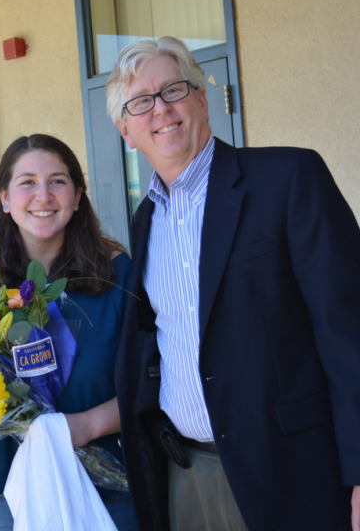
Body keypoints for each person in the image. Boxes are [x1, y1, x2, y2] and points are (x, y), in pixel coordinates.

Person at [108, 36, 360, 531]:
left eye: (173, 90)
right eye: (141, 102)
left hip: (291, 475)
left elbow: (348, 331)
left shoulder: (287, 178)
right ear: (125, 131)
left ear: (202, 99)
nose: (161, 109)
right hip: (188, 475)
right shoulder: (145, 220)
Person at [0, 134, 138, 531]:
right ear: (6, 198)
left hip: (106, 489)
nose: (43, 195)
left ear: (77, 196)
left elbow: (147, 384)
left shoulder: (118, 276)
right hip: (7, 490)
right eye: (27, 182)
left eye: (57, 181)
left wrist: (84, 426)